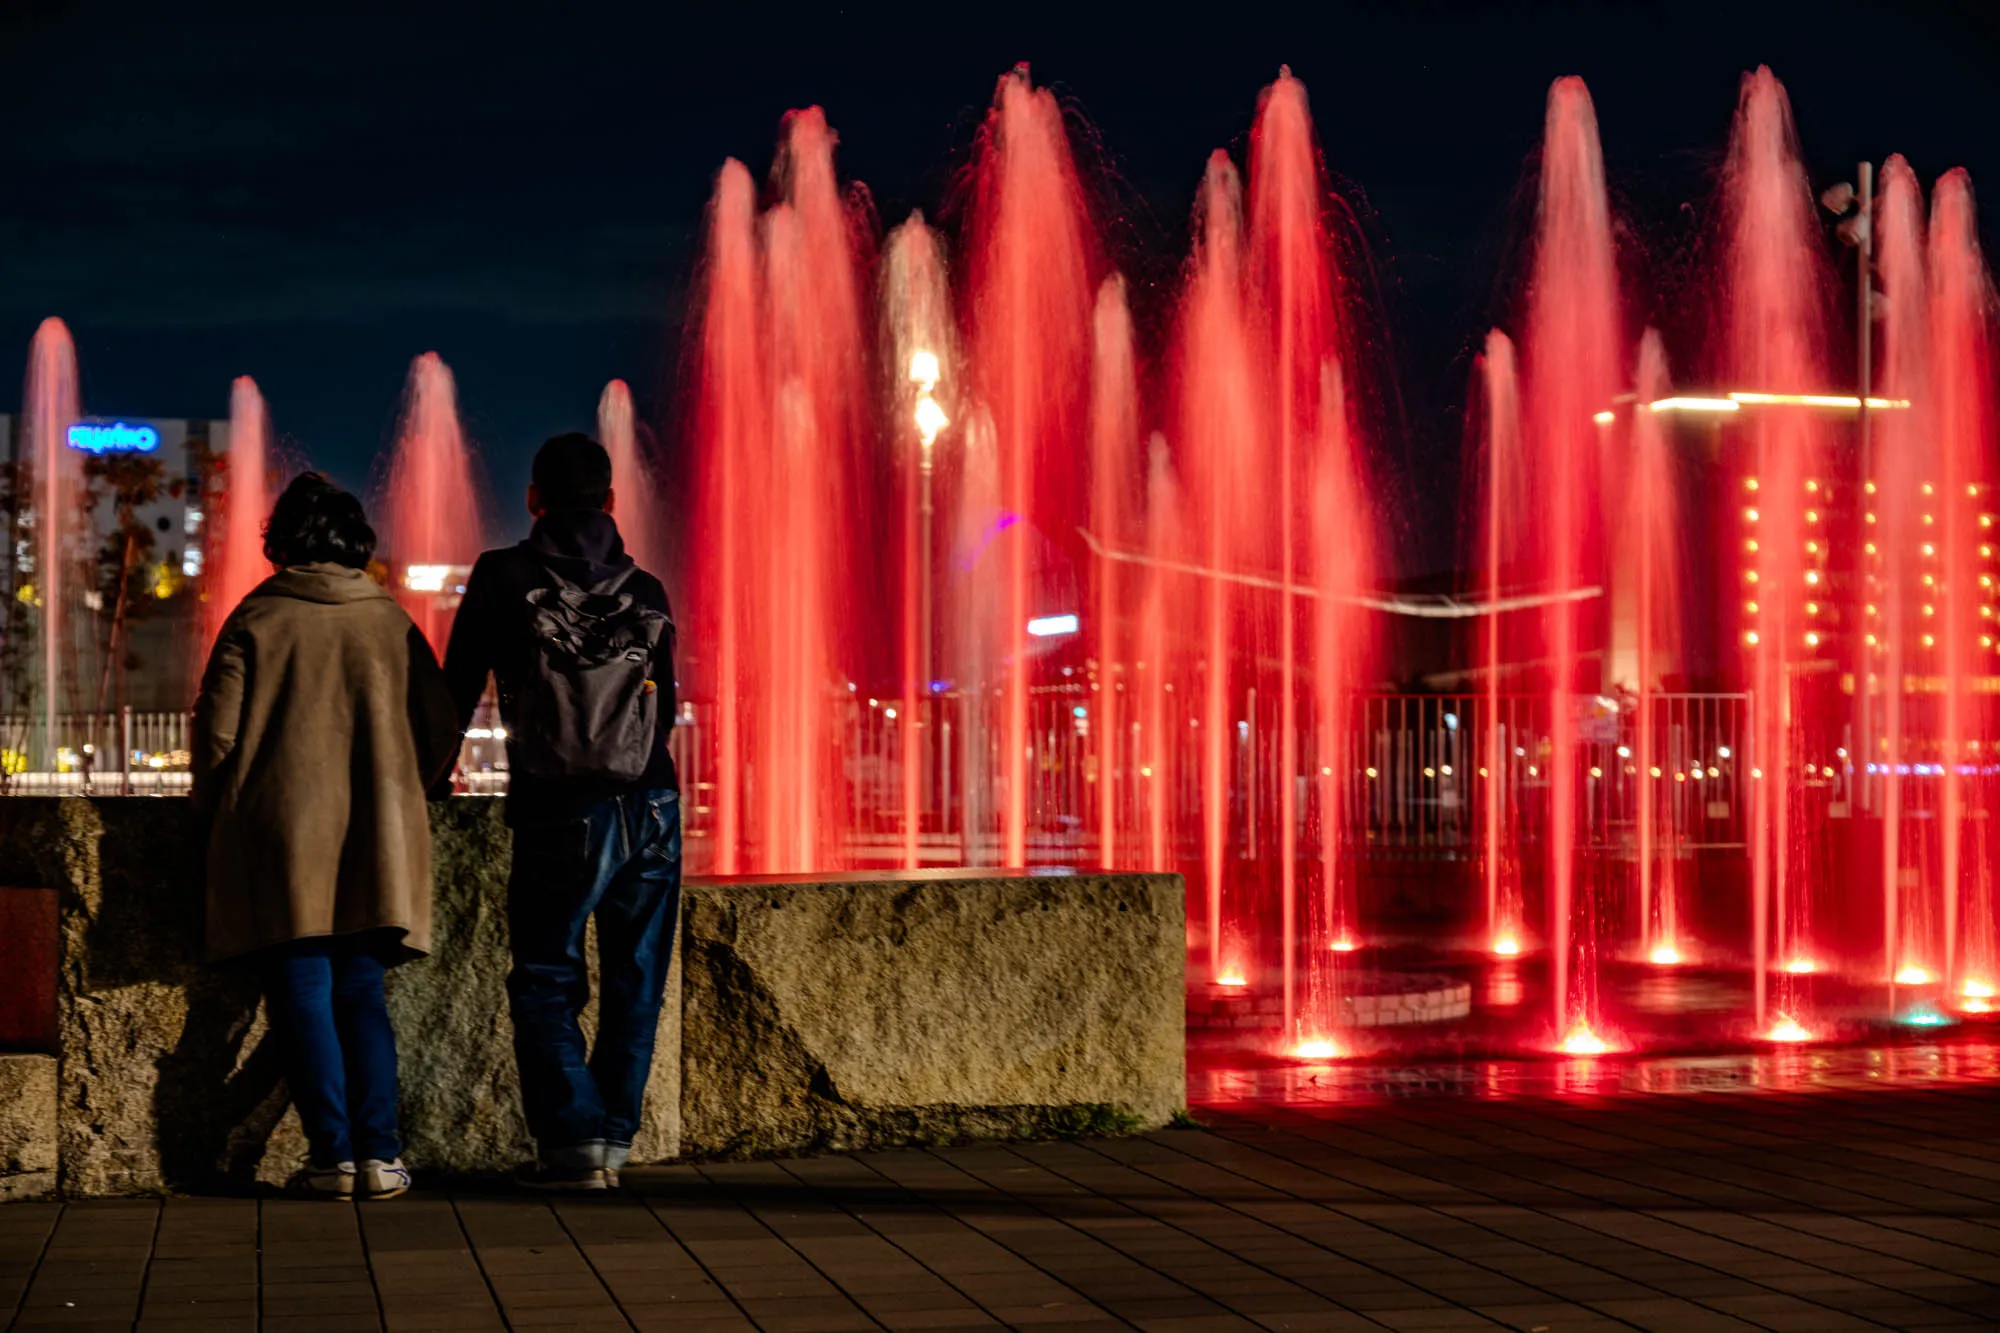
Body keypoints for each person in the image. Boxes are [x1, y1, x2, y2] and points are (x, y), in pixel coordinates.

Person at [193, 473, 460, 1200]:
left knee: (302, 989)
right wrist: (406, 785)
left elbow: (217, 738)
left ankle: (330, 1158)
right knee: (361, 991)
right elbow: (441, 731)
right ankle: (380, 1156)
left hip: (281, 835)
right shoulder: (391, 621)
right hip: (376, 832)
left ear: (281, 540)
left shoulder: (257, 617)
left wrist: (215, 808)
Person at [443, 432, 679, 1191]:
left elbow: (454, 692)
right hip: (653, 802)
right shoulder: (648, 591)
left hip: (560, 804)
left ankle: (574, 1141)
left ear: (534, 500)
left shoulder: (503, 574)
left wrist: (429, 774)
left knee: (546, 975)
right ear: (611, 502)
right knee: (637, 978)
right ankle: (613, 1139)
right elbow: (664, 709)